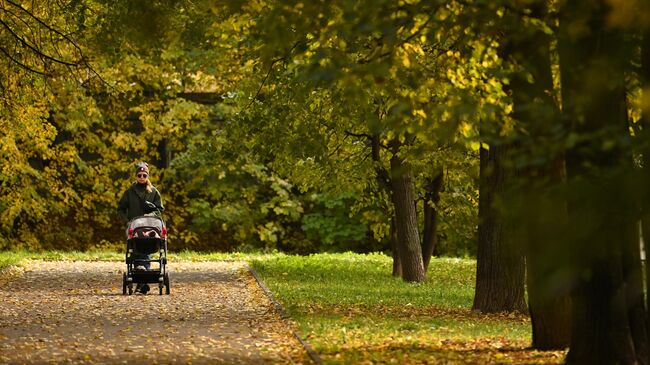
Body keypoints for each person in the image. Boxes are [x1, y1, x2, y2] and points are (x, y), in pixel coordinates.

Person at [117, 162, 165, 294]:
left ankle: (142, 279)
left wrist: (150, 214)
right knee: (135, 247)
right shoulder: (129, 192)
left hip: (149, 226)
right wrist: (127, 221)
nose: (142, 177)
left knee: (146, 244)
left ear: (147, 176)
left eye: (144, 175)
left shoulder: (154, 192)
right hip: (133, 226)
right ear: (136, 176)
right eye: (139, 175)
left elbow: (160, 209)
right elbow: (120, 208)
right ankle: (142, 279)